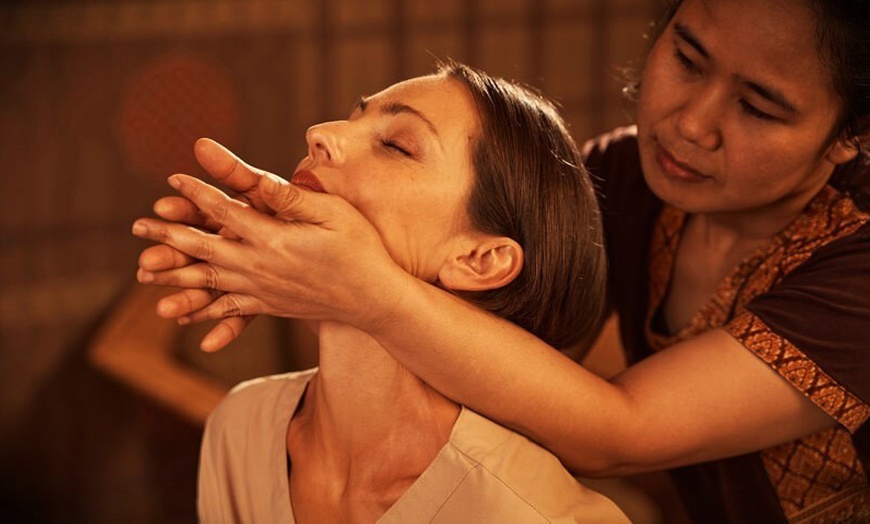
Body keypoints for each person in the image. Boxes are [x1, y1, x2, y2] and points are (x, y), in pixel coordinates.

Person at [133, 0, 870, 521]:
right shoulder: (629, 178)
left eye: (759, 107)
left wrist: (359, 288)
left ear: (850, 135)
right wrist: (284, 262)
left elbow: (620, 429)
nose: (690, 122)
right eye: (686, 56)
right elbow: (504, 305)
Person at [134, 62, 631, 522]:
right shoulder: (240, 429)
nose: (320, 134)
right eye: (354, 116)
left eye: (396, 145)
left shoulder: (531, 512)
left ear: (478, 260)